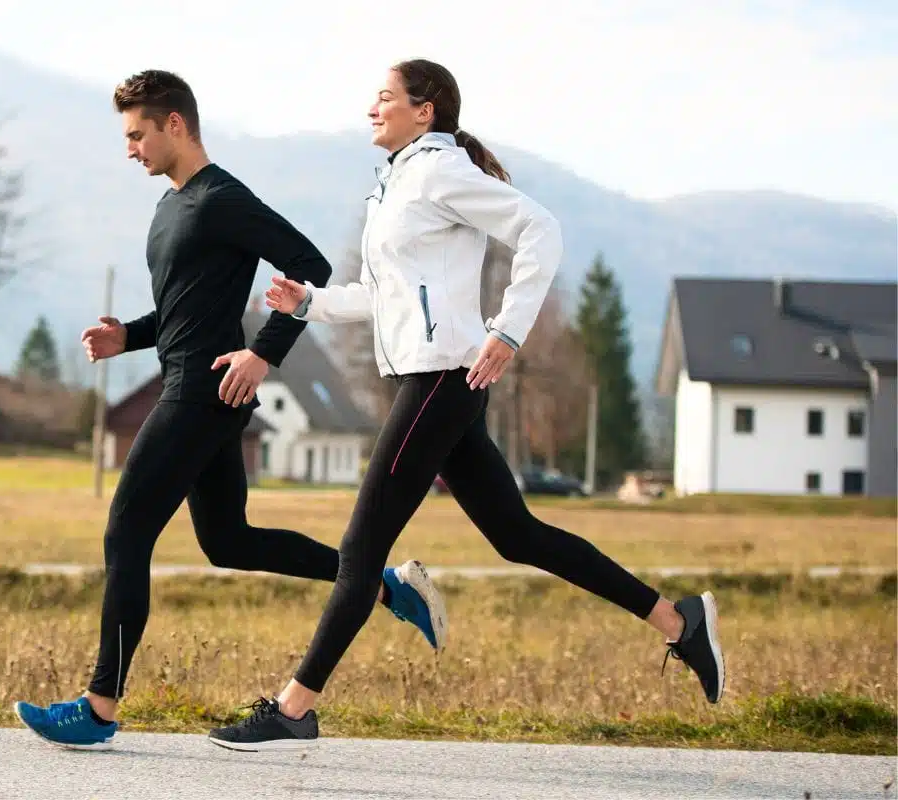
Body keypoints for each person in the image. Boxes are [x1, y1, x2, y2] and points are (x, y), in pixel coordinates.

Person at [208, 58, 725, 752]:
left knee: (361, 550)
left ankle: (295, 707)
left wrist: (508, 331)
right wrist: (311, 303)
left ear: (426, 111)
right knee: (516, 536)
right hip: (434, 378)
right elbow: (383, 294)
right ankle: (678, 621)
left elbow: (541, 230)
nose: (372, 108)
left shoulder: (441, 173)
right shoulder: (396, 185)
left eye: (385, 97)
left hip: (441, 379)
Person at [12, 69, 448, 750]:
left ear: (175, 124)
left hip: (199, 394)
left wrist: (265, 352)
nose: (130, 150)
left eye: (137, 135)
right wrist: (129, 334)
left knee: (126, 533)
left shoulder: (221, 199)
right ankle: (383, 585)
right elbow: (187, 311)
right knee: (229, 542)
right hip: (196, 386)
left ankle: (98, 706)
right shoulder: (171, 208)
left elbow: (309, 267)